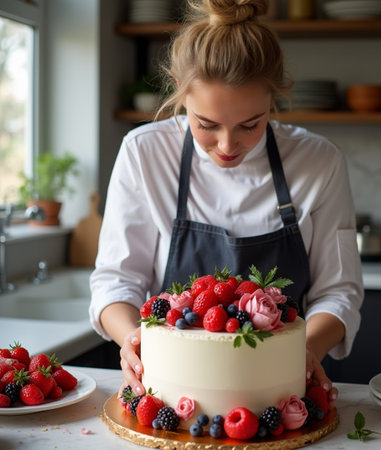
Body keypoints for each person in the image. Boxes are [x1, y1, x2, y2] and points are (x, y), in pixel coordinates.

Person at [89, 0, 363, 407]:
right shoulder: (145, 153)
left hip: (283, 394)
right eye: (206, 124)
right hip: (170, 395)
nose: (227, 145)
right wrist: (133, 338)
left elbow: (338, 291)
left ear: (274, 97)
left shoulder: (318, 161)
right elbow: (116, 280)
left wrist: (300, 352)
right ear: (181, 96)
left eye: (250, 124)